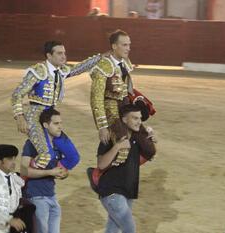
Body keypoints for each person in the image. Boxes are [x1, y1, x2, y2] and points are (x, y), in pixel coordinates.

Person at [12, 41, 100, 169]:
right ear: (49, 55)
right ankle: (27, 179)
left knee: (73, 157)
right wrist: (19, 117)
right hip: (34, 118)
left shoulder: (61, 70)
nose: (63, 56)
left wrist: (100, 57)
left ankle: (50, 174)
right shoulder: (38, 71)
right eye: (59, 53)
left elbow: (78, 68)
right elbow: (17, 94)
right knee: (46, 156)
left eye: (64, 53)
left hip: (51, 118)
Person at [96, 104, 157, 233]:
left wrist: (151, 141)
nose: (139, 122)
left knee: (112, 229)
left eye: (140, 118)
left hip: (128, 191)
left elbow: (145, 157)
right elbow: (101, 164)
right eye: (135, 118)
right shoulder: (110, 136)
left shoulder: (137, 137)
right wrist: (117, 147)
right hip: (112, 192)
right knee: (129, 228)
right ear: (124, 120)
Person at [20, 108, 80, 233]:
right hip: (35, 197)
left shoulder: (57, 146)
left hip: (51, 196)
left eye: (61, 123)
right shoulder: (32, 144)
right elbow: (24, 170)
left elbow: (59, 169)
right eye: (56, 124)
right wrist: (49, 172)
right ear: (46, 125)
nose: (60, 127)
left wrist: (63, 173)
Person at [90, 29, 137, 165]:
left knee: (144, 143)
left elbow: (126, 89)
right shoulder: (103, 67)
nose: (128, 48)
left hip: (124, 107)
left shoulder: (125, 62)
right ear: (114, 46)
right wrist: (102, 126)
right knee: (122, 148)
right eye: (124, 45)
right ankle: (99, 176)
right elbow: (96, 99)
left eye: (129, 45)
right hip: (111, 110)